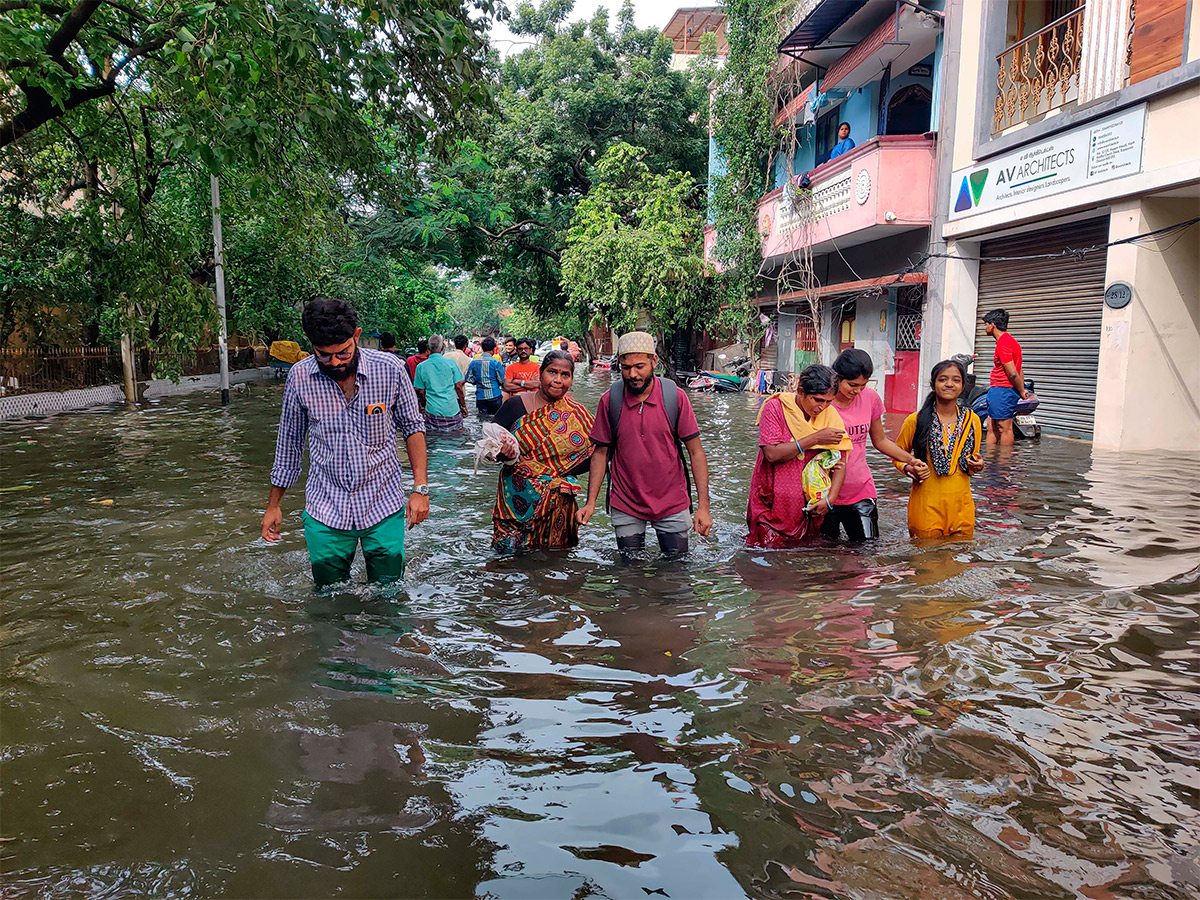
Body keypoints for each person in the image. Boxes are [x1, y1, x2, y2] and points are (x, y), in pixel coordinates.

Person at [261, 297, 429, 587]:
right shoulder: (300, 378)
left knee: (389, 591)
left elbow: (413, 428)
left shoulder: (390, 369)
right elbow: (289, 444)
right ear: (311, 344)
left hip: (383, 503)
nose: (335, 362)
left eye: (343, 353)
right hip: (325, 508)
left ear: (357, 336)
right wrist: (274, 505)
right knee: (328, 595)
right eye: (324, 356)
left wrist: (420, 489)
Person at [577, 332, 712, 556]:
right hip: (625, 501)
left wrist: (703, 507)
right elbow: (601, 454)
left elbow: (696, 453)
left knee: (676, 574)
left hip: (672, 501)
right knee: (629, 573)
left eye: (639, 366)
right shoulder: (610, 401)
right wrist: (590, 503)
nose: (633, 374)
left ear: (654, 361)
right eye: (626, 367)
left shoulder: (675, 398)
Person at [491, 350, 594, 553]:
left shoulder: (578, 415)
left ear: (571, 379)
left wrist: (554, 476)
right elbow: (489, 446)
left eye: (565, 375)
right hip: (515, 503)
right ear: (540, 374)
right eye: (552, 372)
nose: (557, 380)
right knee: (506, 561)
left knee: (555, 562)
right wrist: (502, 454)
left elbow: (595, 454)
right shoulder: (515, 406)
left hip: (558, 507)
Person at [824, 349, 927, 542]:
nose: (857, 391)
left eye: (863, 385)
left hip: (860, 489)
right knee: (823, 553)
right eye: (852, 385)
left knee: (867, 550)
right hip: (824, 491)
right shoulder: (822, 402)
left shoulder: (870, 398)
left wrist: (912, 460)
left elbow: (880, 441)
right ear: (837, 378)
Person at [746, 364, 852, 548]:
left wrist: (830, 499)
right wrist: (816, 438)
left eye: (829, 401)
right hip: (770, 506)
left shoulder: (830, 415)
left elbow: (839, 463)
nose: (822, 407)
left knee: (804, 565)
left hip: (809, 509)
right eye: (818, 400)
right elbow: (771, 454)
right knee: (765, 562)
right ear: (801, 391)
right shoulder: (776, 408)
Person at [894, 359, 985, 539]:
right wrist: (908, 468)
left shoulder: (972, 421)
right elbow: (897, 454)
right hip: (926, 506)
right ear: (933, 385)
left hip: (962, 507)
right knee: (928, 561)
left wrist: (978, 465)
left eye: (956, 380)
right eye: (943, 379)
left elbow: (974, 458)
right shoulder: (915, 421)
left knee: (958, 561)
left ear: (963, 386)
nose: (949, 384)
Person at [982, 308, 1031, 446]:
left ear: (993, 325)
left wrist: (1021, 390)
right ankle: (990, 461)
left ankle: (1004, 464)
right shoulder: (1012, 342)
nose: (985, 328)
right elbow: (1019, 369)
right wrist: (1021, 389)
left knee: (1004, 428)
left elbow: (1013, 373)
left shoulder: (1003, 343)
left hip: (1003, 389)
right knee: (991, 427)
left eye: (986, 324)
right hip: (1000, 389)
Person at [413, 334, 467, 431]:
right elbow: (458, 387)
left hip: (432, 411)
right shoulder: (451, 363)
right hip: (452, 409)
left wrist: (425, 405)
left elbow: (420, 391)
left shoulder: (421, 367)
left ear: (428, 347)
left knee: (433, 440)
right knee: (456, 437)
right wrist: (463, 406)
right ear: (442, 347)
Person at [466, 336, 507, 417]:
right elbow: (502, 380)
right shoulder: (496, 362)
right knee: (496, 420)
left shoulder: (474, 362)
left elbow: (468, 378)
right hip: (494, 396)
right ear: (493, 349)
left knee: (482, 420)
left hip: (480, 397)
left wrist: (477, 381)